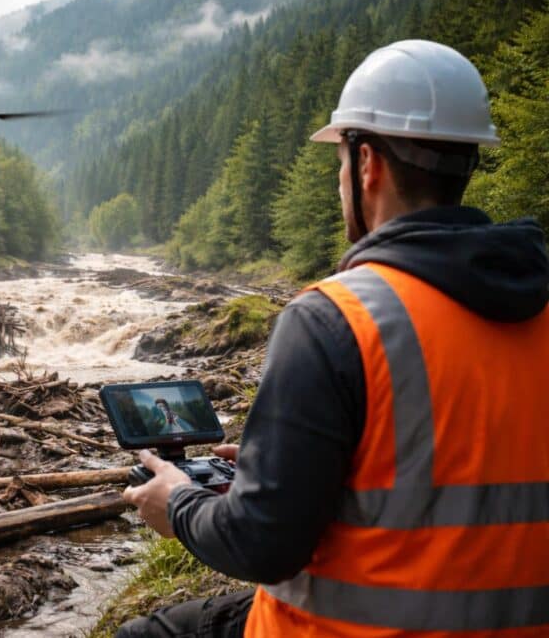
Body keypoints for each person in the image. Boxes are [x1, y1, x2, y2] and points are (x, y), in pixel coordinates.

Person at [119, 39, 549, 637]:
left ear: (367, 163)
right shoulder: (538, 304)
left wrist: (181, 504)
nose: (340, 180)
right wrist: (303, 468)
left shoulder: (333, 320)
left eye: (340, 163)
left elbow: (261, 547)